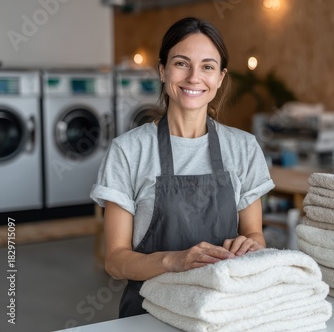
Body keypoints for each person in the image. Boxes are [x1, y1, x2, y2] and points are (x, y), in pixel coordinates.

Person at [90, 17, 275, 318]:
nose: (194, 77)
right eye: (181, 63)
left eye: (207, 66)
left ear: (220, 77)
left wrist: (249, 245)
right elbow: (115, 260)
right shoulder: (128, 150)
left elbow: (255, 235)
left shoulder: (244, 148)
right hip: (148, 314)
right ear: (162, 71)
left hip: (222, 311)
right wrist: (174, 261)